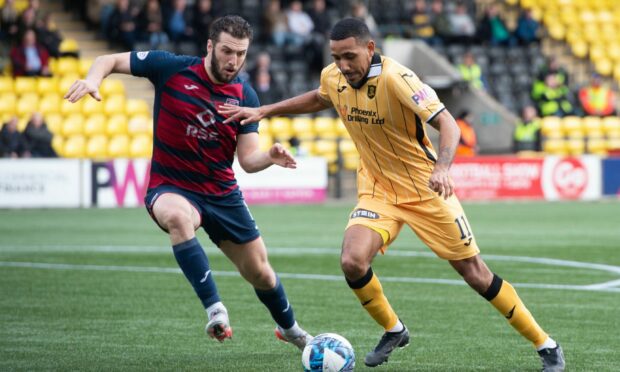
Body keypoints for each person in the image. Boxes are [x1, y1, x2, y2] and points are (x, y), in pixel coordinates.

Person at [220, 18, 565, 371]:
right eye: (336, 57)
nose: (343, 65)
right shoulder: (334, 76)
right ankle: (394, 329)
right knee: (352, 261)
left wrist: (443, 167)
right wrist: (266, 110)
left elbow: (447, 123)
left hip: (424, 188)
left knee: (475, 273)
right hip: (377, 188)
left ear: (370, 49)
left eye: (350, 56)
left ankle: (545, 344)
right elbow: (321, 97)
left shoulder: (398, 79)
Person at [63, 15, 312, 350]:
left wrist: (270, 156)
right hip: (171, 186)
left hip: (222, 194)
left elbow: (248, 161)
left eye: (241, 53)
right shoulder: (171, 68)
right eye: (227, 51)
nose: (233, 60)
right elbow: (108, 59)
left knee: (262, 273)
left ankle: (291, 330)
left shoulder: (246, 95)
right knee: (179, 218)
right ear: (210, 46)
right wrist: (94, 80)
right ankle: (216, 310)